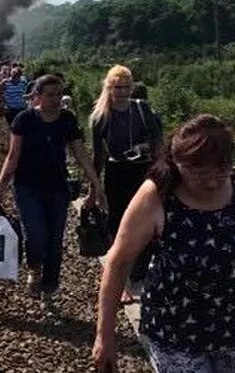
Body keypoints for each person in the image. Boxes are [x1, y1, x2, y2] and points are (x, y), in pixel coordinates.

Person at [93, 114, 235, 373]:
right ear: (177, 163)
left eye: (221, 170)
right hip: (177, 333)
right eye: (198, 172)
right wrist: (105, 335)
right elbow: (118, 263)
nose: (212, 181)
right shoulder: (156, 196)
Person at [0, 74, 104, 311]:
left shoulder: (67, 119)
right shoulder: (24, 120)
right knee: (36, 233)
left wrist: (96, 184)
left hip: (57, 188)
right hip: (27, 187)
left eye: (59, 94)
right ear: (38, 96)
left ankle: (50, 285)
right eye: (50, 95)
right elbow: (13, 157)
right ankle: (34, 269)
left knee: (55, 239)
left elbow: (80, 153)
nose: (57, 99)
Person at [90, 65, 162, 301]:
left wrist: (161, 172)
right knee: (118, 226)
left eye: (125, 87)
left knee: (147, 225)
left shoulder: (142, 109)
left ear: (132, 87)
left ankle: (138, 277)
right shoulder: (101, 117)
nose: (121, 92)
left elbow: (158, 142)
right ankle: (119, 280)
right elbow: (98, 155)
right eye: (116, 87)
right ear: (109, 88)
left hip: (143, 171)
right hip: (117, 171)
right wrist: (94, 188)